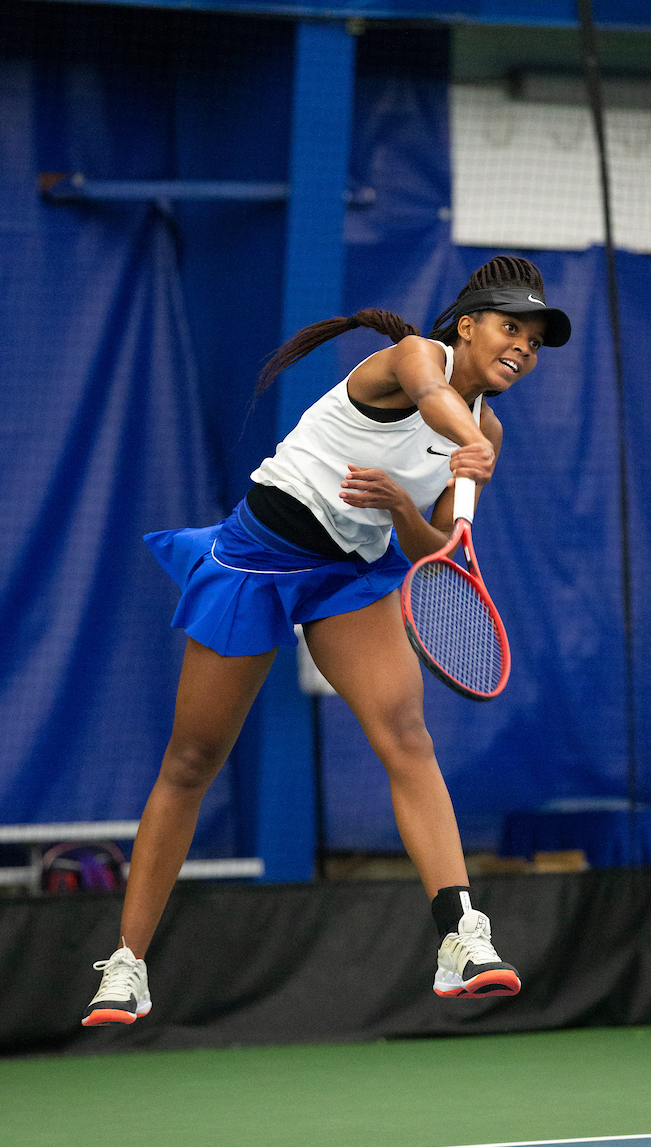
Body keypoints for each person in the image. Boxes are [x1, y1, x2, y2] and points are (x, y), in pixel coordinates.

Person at [82, 255, 571, 1026]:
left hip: (352, 576)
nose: (523, 348)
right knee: (192, 760)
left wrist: (401, 504)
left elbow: (431, 550)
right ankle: (128, 963)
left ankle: (461, 937)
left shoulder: (490, 434)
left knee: (407, 736)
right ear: (469, 324)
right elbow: (435, 397)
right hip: (258, 559)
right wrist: (460, 439)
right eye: (512, 328)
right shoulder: (418, 357)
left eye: (536, 342)